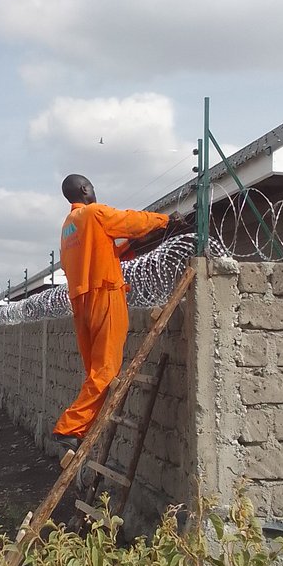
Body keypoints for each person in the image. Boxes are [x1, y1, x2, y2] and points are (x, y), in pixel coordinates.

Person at [53, 174, 184, 451]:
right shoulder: (95, 213)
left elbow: (91, 255)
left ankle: (79, 429)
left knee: (94, 371)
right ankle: (69, 427)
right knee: (107, 370)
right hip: (105, 293)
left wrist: (130, 248)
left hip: (80, 300)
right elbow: (130, 221)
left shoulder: (68, 228)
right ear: (85, 189)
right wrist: (165, 221)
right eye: (93, 188)